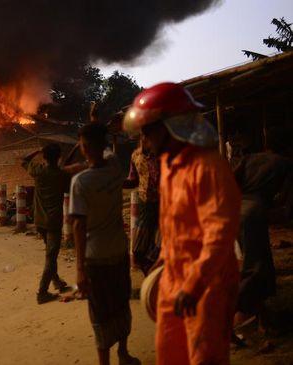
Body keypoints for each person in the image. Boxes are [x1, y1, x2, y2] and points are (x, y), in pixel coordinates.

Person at [123, 82, 241, 365]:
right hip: (174, 275)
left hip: (207, 281)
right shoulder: (170, 165)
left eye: (149, 130)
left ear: (171, 126)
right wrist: (163, 259)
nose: (143, 138)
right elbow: (176, 225)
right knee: (171, 351)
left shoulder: (208, 166)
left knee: (203, 355)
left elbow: (219, 233)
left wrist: (194, 284)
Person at [69, 123, 139, 365]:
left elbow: (78, 226)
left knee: (99, 313)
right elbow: (107, 151)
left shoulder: (80, 182)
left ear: (84, 147)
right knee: (120, 304)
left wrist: (79, 270)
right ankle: (124, 353)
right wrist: (94, 120)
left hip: (95, 258)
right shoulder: (115, 166)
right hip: (119, 250)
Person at [233, 127, 293, 333]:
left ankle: (262, 317)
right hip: (255, 212)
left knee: (250, 263)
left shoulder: (249, 158)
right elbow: (284, 200)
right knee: (258, 267)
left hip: (235, 210)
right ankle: (233, 309)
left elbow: (231, 181)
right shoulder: (286, 164)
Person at [22, 144, 72, 304]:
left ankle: (56, 281)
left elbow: (24, 161)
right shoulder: (62, 175)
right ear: (58, 157)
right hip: (53, 222)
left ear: (44, 157)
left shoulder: (39, 171)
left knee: (50, 253)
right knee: (51, 255)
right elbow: (69, 189)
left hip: (39, 220)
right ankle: (42, 292)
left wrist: (37, 150)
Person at [123, 136, 161, 275]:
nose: (146, 139)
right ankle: (150, 279)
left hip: (163, 204)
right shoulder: (135, 156)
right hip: (146, 204)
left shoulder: (161, 154)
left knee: (159, 248)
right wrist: (117, 182)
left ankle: (157, 282)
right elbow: (133, 180)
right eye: (144, 136)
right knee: (138, 251)